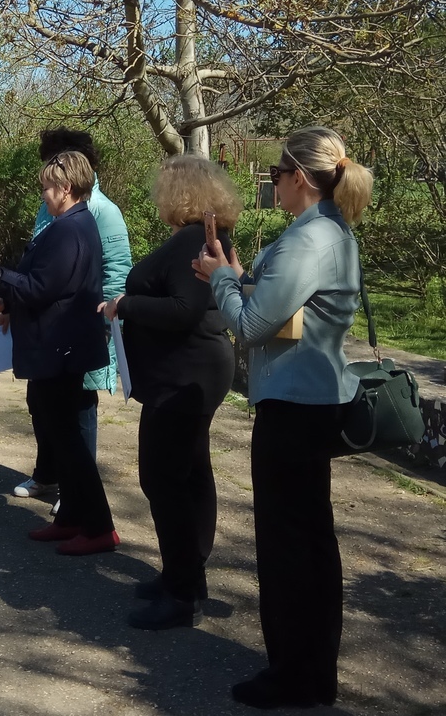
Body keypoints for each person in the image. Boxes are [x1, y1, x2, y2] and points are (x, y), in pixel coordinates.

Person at [197, 127, 372, 709]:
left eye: (275, 173)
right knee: (312, 541)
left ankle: (293, 673)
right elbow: (278, 304)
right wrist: (243, 276)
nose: (271, 183)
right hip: (312, 402)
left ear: (299, 177)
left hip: (294, 407)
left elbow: (248, 328)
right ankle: (313, 669)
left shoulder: (308, 239)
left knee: (287, 545)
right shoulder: (329, 232)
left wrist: (220, 279)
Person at [103, 154, 239, 630]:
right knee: (191, 473)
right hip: (192, 370)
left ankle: (182, 593)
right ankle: (187, 575)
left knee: (163, 480)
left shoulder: (191, 239)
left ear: (179, 192)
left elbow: (183, 309)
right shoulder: (203, 236)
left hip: (185, 375)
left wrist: (126, 304)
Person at [0, 151, 117, 555]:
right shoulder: (72, 224)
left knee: (69, 442)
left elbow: (40, 287)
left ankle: (99, 527)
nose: (44, 195)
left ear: (66, 189)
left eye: (47, 187)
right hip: (59, 347)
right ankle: (70, 520)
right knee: (61, 439)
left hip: (59, 350)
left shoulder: (69, 229)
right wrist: (5, 302)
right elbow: (46, 285)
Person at [8, 129, 132, 513]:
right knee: (40, 402)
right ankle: (48, 473)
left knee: (79, 409)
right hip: (47, 330)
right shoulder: (49, 207)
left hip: (81, 328)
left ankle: (76, 489)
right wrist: (12, 303)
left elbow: (117, 271)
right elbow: (38, 264)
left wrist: (107, 326)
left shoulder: (102, 211)